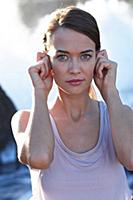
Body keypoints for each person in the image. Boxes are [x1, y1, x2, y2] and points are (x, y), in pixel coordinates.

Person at [11, 6, 133, 200]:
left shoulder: (121, 115)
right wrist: (39, 93)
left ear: (99, 57)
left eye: (85, 56)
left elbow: (131, 159)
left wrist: (110, 91)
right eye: (62, 57)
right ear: (44, 61)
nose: (75, 69)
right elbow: (39, 158)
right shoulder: (25, 121)